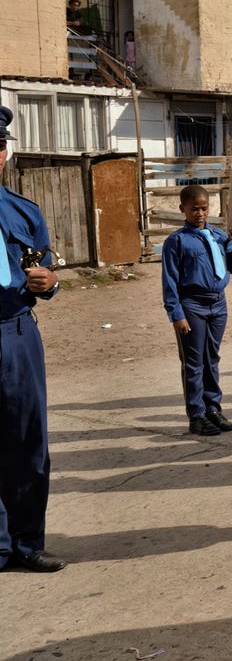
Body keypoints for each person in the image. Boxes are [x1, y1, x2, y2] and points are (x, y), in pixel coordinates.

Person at [0, 105, 66, 572]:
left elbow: (44, 268)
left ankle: (26, 543)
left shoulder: (23, 211)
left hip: (17, 335)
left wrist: (50, 282)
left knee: (27, 443)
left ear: (3, 154)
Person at [161, 184, 232, 436]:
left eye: (204, 208)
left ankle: (213, 409)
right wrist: (176, 314)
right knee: (193, 362)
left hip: (218, 304)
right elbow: (169, 281)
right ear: (183, 209)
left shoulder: (220, 236)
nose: (200, 213)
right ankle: (197, 416)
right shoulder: (176, 241)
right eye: (194, 209)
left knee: (211, 358)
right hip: (192, 305)